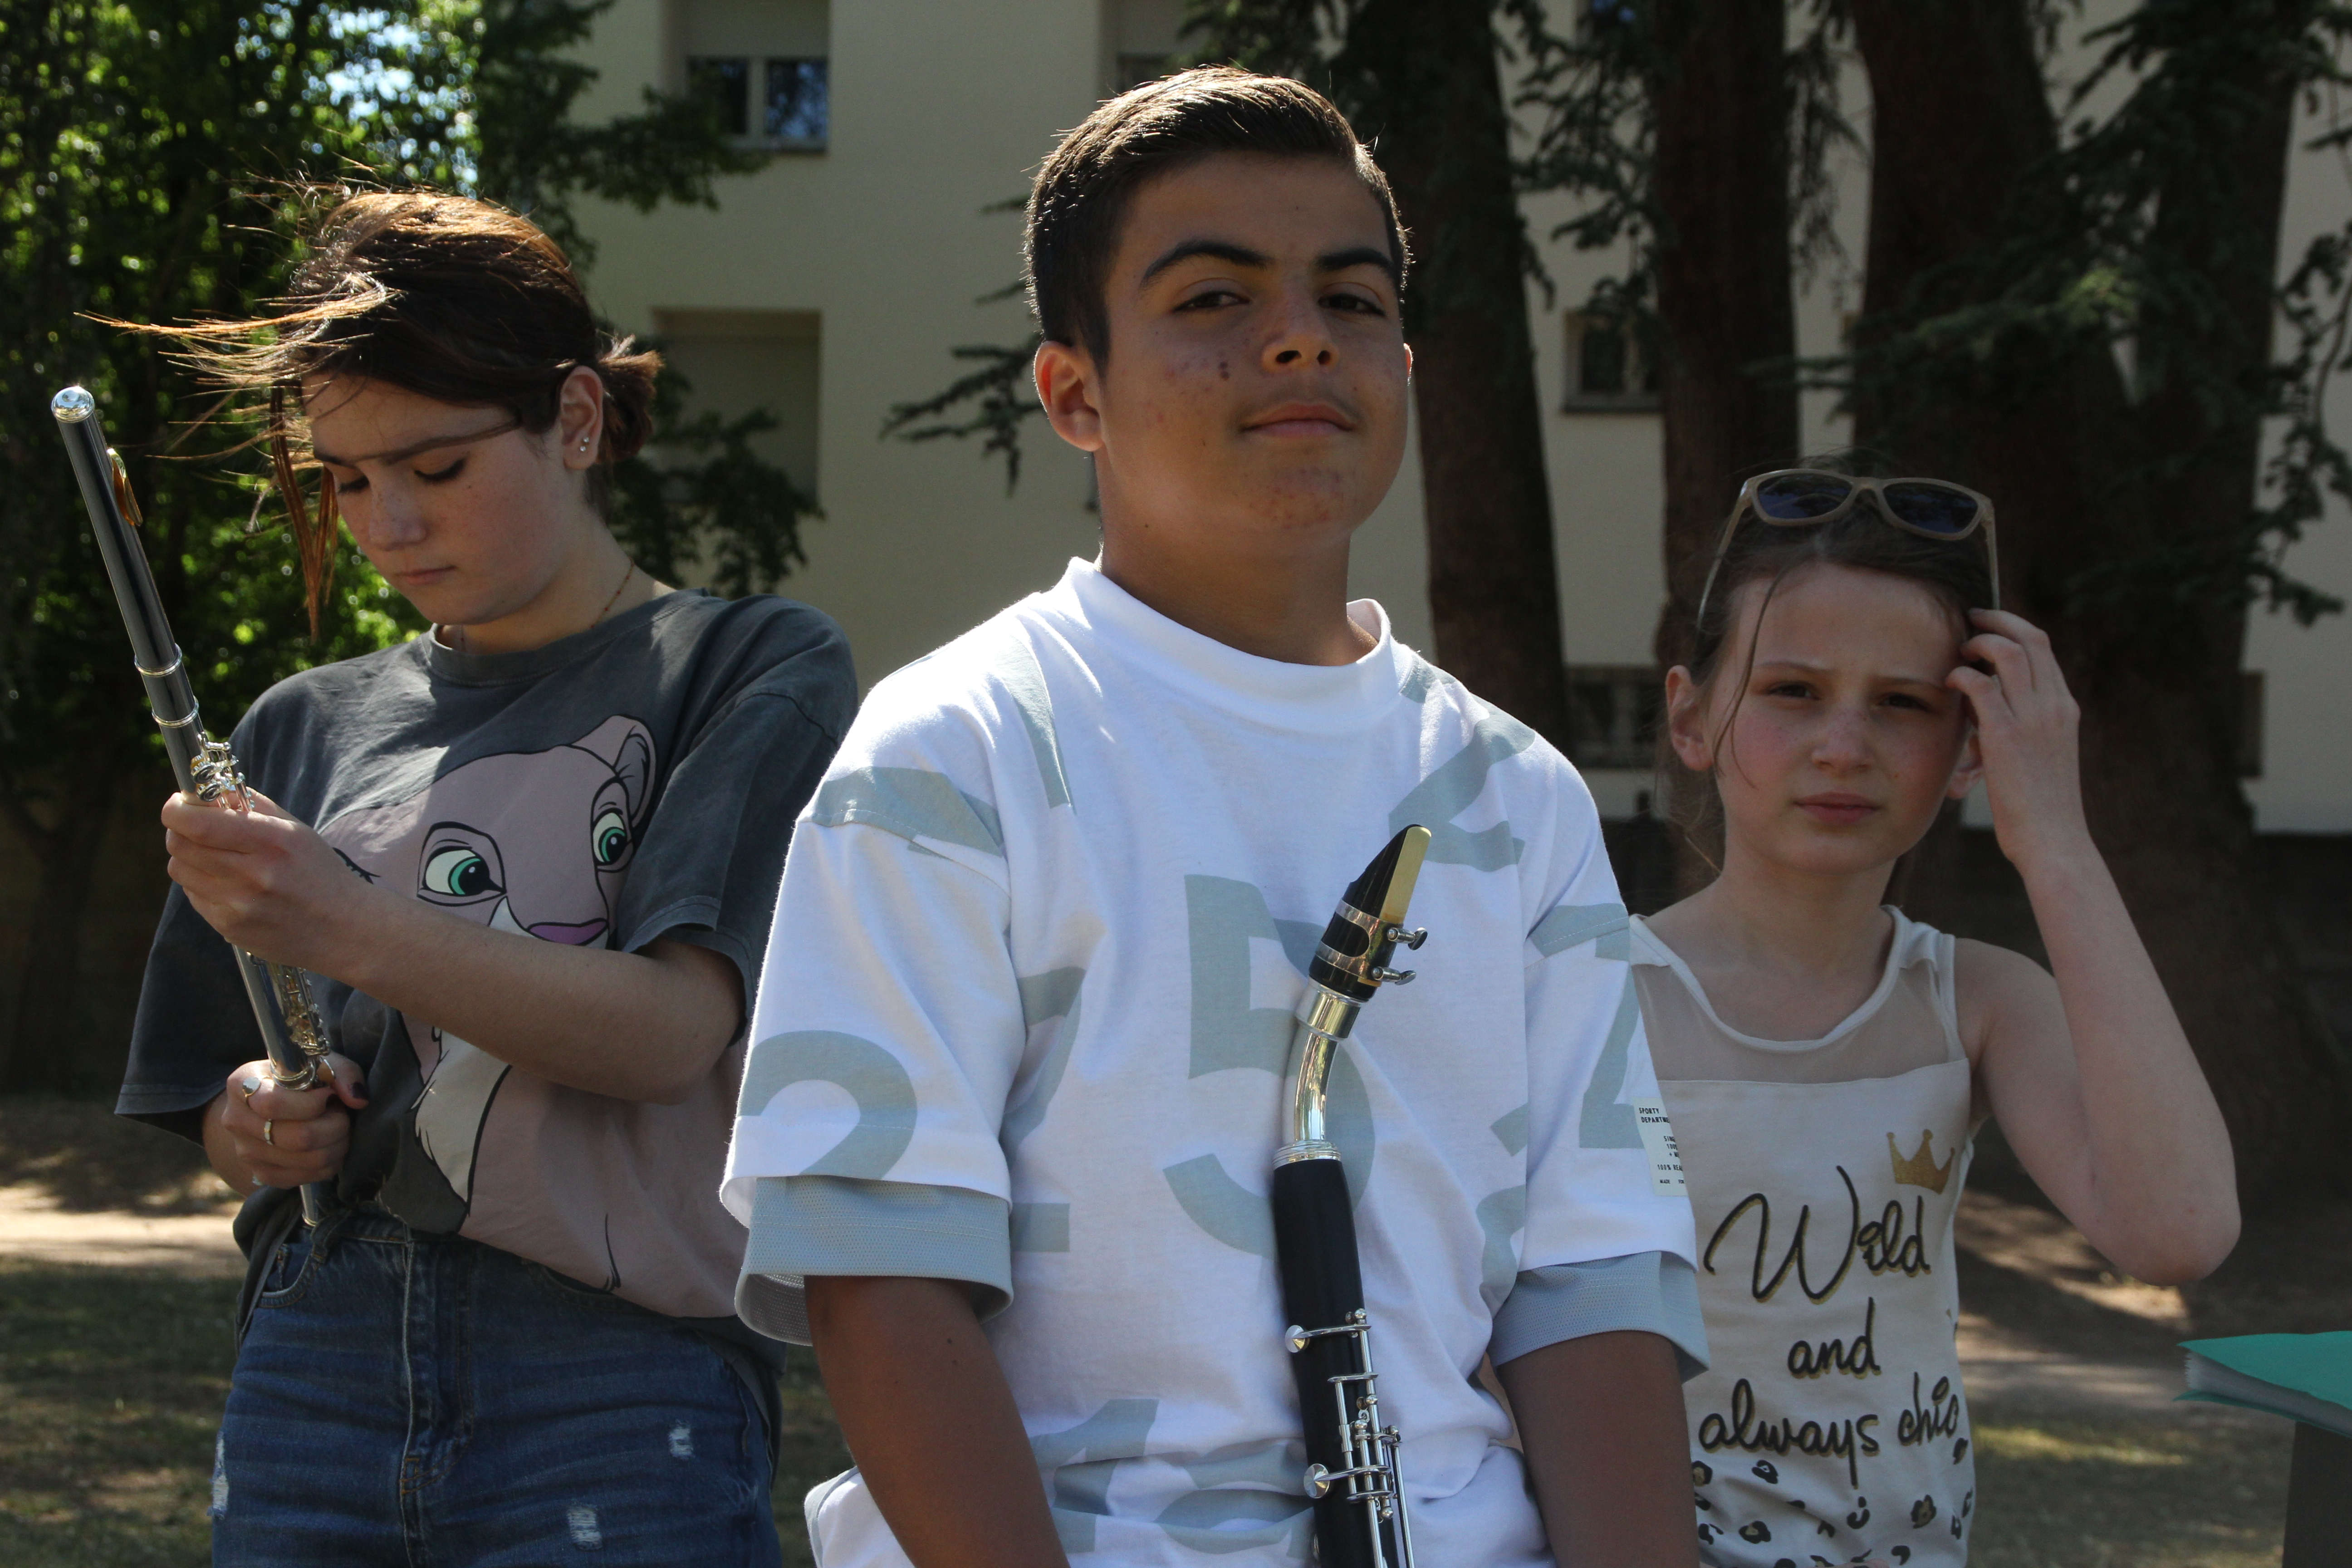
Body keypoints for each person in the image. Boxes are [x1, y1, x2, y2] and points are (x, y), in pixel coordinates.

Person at [722, 68, 1705, 1568]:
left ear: (1405, 361)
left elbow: (1593, 1281)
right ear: (1074, 394)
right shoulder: (951, 755)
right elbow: (881, 1273)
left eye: (1351, 297)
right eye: (1210, 298)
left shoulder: (1519, 793)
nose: (1300, 334)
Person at [113, 191, 857, 1564]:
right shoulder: (294, 723)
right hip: (310, 1361)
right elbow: (226, 1112)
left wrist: (349, 920)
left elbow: (672, 1034)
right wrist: (258, 1127)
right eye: (344, 478)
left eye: (436, 467)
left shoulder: (748, 664)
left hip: (619, 1377)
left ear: (575, 420)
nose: (388, 521)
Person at [1636, 469, 2239, 1565]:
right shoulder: (1590, 993)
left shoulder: (1978, 1001)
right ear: (1691, 714)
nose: (1843, 746)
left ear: (1970, 749)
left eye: (1904, 704)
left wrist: (2054, 837)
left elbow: (2179, 1230)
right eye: (1792, 691)